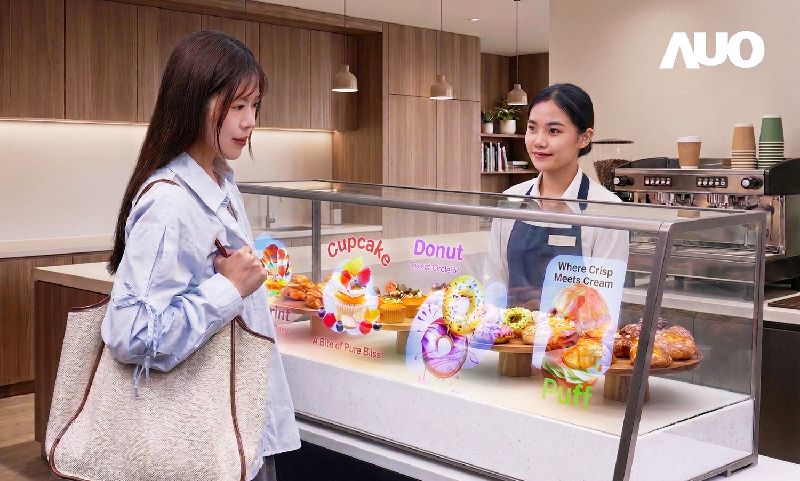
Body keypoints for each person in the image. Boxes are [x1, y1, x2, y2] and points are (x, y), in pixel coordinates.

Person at [102, 31, 299, 480]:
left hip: (235, 428)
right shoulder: (170, 202)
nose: (250, 122)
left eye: (255, 106)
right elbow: (132, 333)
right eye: (237, 106)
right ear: (194, 101)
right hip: (199, 441)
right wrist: (228, 288)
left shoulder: (221, 181)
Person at [485, 83, 629, 309]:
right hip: (510, 330)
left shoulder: (607, 209)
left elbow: (603, 306)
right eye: (532, 128)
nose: (538, 141)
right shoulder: (511, 199)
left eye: (553, 131)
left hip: (577, 332)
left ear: (584, 137)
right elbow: (494, 286)